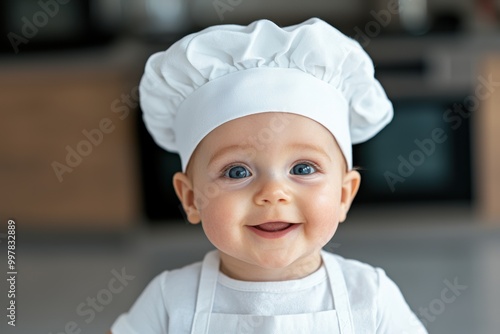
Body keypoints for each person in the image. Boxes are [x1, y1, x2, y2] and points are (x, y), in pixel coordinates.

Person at [109, 17, 427, 333]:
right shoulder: (170, 299)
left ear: (344, 195)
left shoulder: (371, 296)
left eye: (303, 169)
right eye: (237, 172)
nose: (273, 192)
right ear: (191, 198)